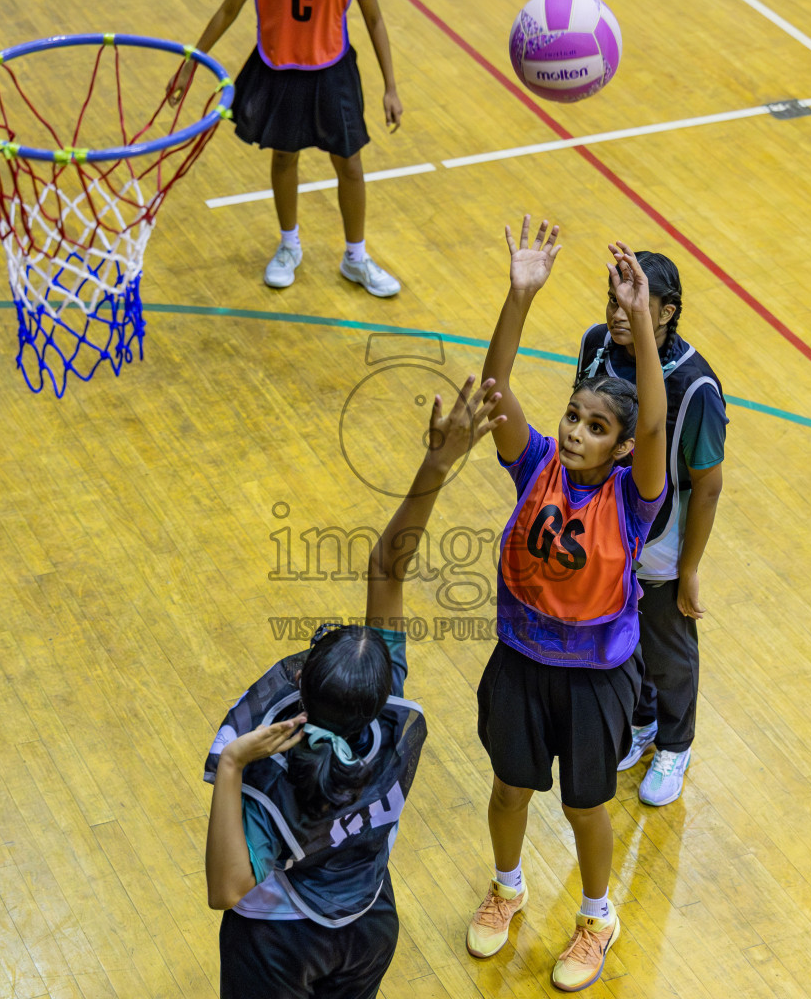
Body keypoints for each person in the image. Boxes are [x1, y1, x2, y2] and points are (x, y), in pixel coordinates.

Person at [204, 377, 503, 999]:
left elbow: (227, 888)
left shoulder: (280, 775)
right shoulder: (387, 717)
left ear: (302, 685)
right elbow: (388, 569)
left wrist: (231, 765)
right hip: (369, 924)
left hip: (280, 942)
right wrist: (437, 465)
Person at [468, 216, 668, 992]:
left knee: (587, 807)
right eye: (574, 417)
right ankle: (507, 887)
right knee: (509, 788)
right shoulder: (536, 466)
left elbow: (655, 420)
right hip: (520, 662)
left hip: (594, 678)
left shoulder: (632, 499)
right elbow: (494, 392)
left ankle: (595, 918)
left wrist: (641, 321)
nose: (578, 432)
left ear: (622, 445)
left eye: (597, 426)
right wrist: (519, 295)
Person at [573, 250, 727, 807]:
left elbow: (707, 485)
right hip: (600, 528)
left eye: (631, 303)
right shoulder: (596, 345)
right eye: (611, 301)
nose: (618, 313)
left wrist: (690, 568)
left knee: (668, 649)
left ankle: (675, 745)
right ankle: (641, 723)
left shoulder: (695, 386)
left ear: (667, 312)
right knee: (621, 636)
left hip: (659, 540)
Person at [170, 0, 404, 297]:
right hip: (279, 68)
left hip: (333, 70)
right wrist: (189, 67)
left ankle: (356, 257)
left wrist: (391, 88)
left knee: (350, 164)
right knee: (283, 157)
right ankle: (289, 246)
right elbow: (228, 10)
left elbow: (374, 19)